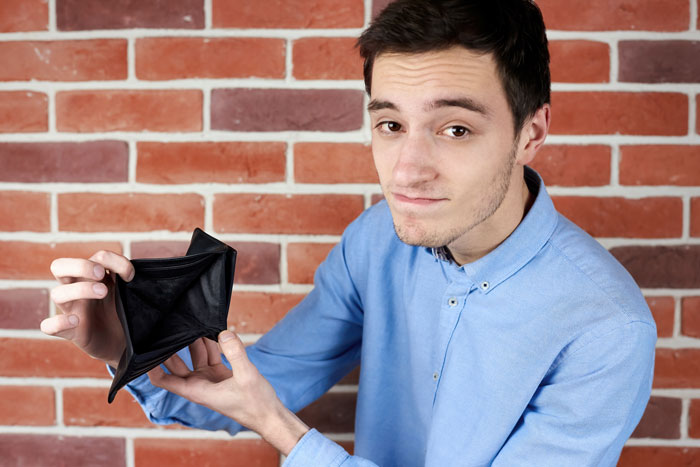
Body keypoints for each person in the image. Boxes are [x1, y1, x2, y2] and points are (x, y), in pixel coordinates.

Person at [42, 0, 656, 465]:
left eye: (455, 129)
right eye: (390, 124)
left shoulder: (605, 327)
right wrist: (128, 346)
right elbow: (256, 385)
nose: (407, 171)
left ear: (532, 133)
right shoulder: (375, 242)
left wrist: (284, 431)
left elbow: (268, 408)